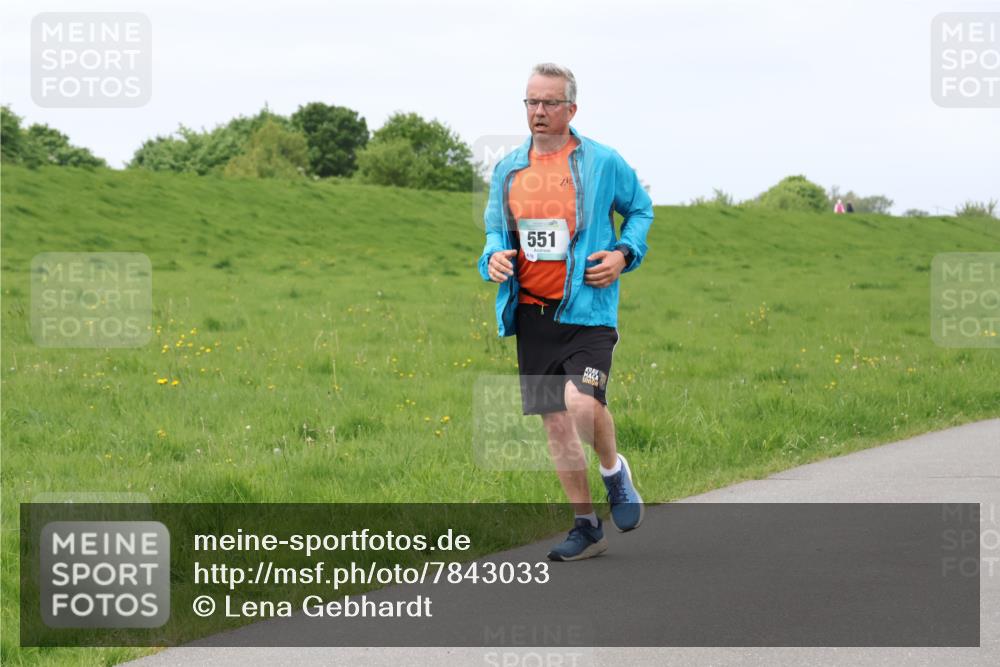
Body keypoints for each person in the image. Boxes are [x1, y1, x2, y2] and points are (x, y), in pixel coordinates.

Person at [477, 63, 654, 561]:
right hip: (533, 313)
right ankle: (585, 526)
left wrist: (623, 254)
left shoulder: (602, 162)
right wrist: (491, 257)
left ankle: (614, 473)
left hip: (588, 311)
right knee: (555, 423)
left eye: (550, 102)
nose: (538, 111)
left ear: (571, 108)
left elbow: (640, 210)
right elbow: (496, 231)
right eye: (531, 102)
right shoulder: (509, 169)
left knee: (581, 404)